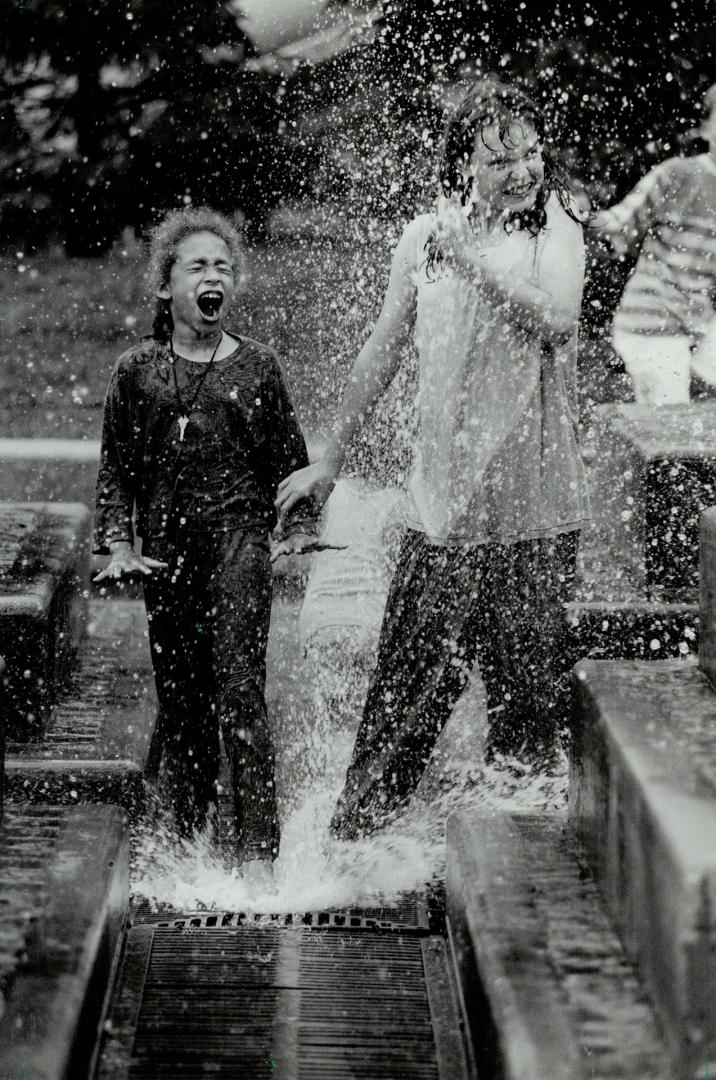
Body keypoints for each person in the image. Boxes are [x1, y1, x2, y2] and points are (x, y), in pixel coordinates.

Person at [276, 78, 590, 840]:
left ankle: (521, 877)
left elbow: (557, 318)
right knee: (397, 717)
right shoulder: (423, 240)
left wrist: (475, 261)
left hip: (533, 520)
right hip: (438, 517)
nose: (521, 170)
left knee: (526, 729)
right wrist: (332, 460)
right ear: (462, 165)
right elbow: (381, 350)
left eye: (530, 153)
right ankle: (354, 853)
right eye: (499, 158)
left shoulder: (557, 233)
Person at [93, 206, 316, 881]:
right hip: (167, 556)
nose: (212, 276)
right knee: (183, 706)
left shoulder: (258, 369)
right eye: (197, 266)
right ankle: (186, 856)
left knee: (241, 696)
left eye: (223, 266)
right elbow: (117, 470)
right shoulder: (138, 373)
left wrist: (299, 531)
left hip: (238, 546)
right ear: (167, 287)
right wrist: (117, 545)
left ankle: (259, 863)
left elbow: (293, 464)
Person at [594, 81, 716, 406]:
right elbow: (620, 223)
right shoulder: (678, 175)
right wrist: (577, 217)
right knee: (670, 428)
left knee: (696, 428)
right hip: (653, 319)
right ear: (705, 128)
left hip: (698, 325)